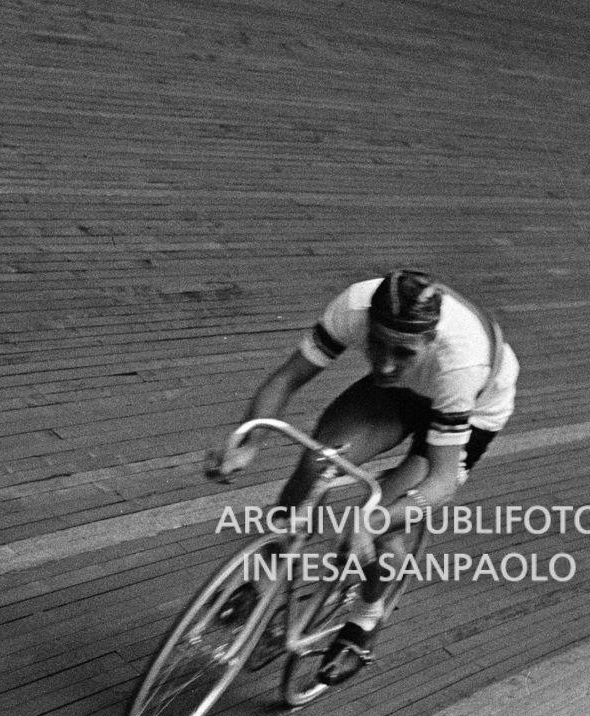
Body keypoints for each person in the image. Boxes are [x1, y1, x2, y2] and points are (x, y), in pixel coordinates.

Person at [205, 269, 519, 682]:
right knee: (316, 462)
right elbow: (287, 379)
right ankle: (266, 580)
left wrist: (373, 521)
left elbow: (440, 482)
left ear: (430, 339)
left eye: (402, 352)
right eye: (377, 345)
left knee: (380, 521)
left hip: (470, 408)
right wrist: (250, 441)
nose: (385, 363)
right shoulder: (354, 306)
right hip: (407, 391)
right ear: (367, 324)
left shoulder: (459, 365)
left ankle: (366, 619)